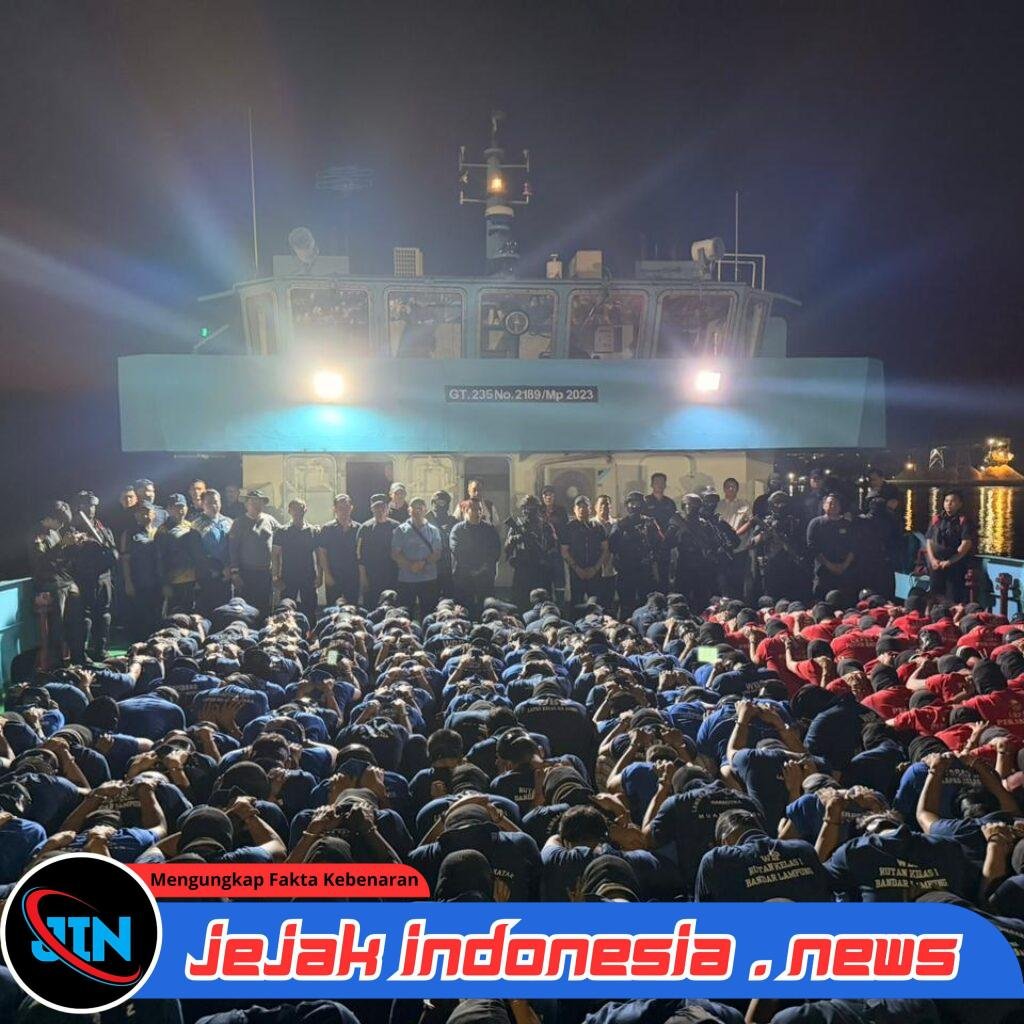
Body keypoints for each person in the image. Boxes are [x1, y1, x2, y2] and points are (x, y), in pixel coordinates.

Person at [30, 501, 82, 669]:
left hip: (64, 581)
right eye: (59, 521)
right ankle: (58, 664)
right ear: (48, 519)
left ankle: (77, 656)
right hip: (50, 584)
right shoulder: (37, 535)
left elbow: (61, 559)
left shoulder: (55, 532)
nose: (61, 525)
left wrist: (73, 545)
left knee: (75, 621)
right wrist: (62, 544)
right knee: (57, 625)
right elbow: (40, 563)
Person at [69, 490, 117, 663]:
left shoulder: (100, 526)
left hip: (104, 577)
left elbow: (111, 548)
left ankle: (101, 650)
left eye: (93, 505)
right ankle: (80, 655)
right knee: (84, 617)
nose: (91, 509)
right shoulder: (73, 529)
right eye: (86, 505)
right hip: (85, 578)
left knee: (104, 615)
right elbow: (70, 554)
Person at [609, 491, 663, 615]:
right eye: (631, 503)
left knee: (646, 605)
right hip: (626, 570)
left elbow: (659, 543)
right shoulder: (620, 525)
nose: (634, 506)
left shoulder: (650, 522)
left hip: (645, 570)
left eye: (637, 503)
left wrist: (653, 559)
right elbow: (612, 547)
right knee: (626, 605)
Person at [504, 495, 561, 611]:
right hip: (523, 570)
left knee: (542, 605)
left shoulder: (545, 526)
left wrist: (545, 557)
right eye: (525, 508)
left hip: (541, 571)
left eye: (531, 508)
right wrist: (514, 539)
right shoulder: (517, 525)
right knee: (520, 603)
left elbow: (554, 548)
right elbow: (507, 549)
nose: (527, 511)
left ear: (537, 509)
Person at [228, 490, 277, 618]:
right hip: (245, 573)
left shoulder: (270, 520)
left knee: (264, 607)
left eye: (259, 502)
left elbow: (283, 535)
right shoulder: (238, 523)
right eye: (253, 501)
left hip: (265, 573)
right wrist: (235, 572)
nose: (256, 504)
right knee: (246, 609)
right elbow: (233, 549)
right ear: (246, 504)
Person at [391, 496, 442, 618]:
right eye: (414, 508)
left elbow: (437, 552)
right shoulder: (401, 530)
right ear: (409, 511)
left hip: (428, 579)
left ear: (425, 510)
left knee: (429, 614)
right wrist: (410, 565)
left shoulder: (433, 530)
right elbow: (395, 553)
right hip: (407, 579)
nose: (417, 511)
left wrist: (423, 563)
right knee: (404, 614)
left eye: (420, 508)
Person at [450, 498, 501, 618]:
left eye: (480, 509)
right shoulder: (458, 530)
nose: (478, 512)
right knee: (464, 611)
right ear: (465, 510)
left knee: (487, 609)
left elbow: (495, 551)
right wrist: (471, 568)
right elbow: (456, 550)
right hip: (464, 577)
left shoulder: (489, 529)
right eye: (474, 509)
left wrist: (483, 567)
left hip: (485, 576)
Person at [273, 498, 320, 624]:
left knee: (310, 609)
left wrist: (320, 576)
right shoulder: (282, 531)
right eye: (294, 509)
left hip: (308, 577)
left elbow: (319, 555)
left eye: (300, 508)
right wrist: (275, 576)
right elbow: (275, 555)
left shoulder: (313, 531)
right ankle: (285, 632)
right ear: (289, 511)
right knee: (286, 610)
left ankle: (310, 633)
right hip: (288, 577)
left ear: (305, 510)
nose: (298, 511)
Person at [925, 489, 977, 604]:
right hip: (936, 565)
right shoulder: (936, 520)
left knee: (952, 597)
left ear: (960, 504)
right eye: (946, 501)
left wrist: (950, 561)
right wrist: (932, 559)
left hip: (955, 566)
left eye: (952, 501)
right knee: (935, 596)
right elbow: (929, 541)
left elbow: (965, 545)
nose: (949, 504)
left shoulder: (964, 521)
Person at [121, 501, 162, 642]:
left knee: (156, 617)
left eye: (147, 512)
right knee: (139, 617)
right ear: (135, 515)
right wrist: (128, 582)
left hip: (157, 582)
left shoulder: (160, 532)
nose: (144, 515)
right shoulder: (129, 534)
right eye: (141, 512)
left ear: (154, 514)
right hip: (138, 582)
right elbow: (125, 560)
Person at [560, 495, 609, 612]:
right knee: (576, 606)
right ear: (574, 510)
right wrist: (577, 569)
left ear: (590, 509)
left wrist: (595, 569)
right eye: (579, 507)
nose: (582, 509)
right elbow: (564, 551)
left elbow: (605, 549)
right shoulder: (569, 528)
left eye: (585, 507)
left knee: (596, 606)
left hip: (595, 574)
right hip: (577, 574)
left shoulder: (598, 527)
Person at [806, 492, 856, 605]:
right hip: (823, 572)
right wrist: (829, 565)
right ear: (824, 505)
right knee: (821, 604)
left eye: (836, 503)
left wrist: (844, 565)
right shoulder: (816, 523)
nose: (833, 506)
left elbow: (854, 546)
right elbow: (812, 547)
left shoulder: (847, 524)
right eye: (830, 503)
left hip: (844, 572)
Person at [156, 493, 202, 615]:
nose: (180, 510)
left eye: (182, 506)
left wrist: (199, 578)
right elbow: (159, 559)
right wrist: (164, 584)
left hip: (191, 581)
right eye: (176, 507)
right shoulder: (163, 531)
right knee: (174, 617)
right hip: (173, 582)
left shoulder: (191, 527)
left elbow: (198, 556)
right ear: (169, 509)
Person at [191, 488, 234, 616]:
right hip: (207, 575)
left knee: (226, 612)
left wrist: (230, 568)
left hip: (227, 574)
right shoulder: (196, 525)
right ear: (202, 504)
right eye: (209, 502)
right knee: (207, 612)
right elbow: (197, 553)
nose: (213, 505)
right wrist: (217, 568)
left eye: (216, 502)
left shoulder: (229, 522)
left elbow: (234, 547)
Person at [317, 493, 360, 606]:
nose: (344, 510)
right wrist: (327, 575)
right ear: (334, 509)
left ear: (351, 508)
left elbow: (361, 555)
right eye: (340, 508)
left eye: (346, 507)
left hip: (353, 576)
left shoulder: (358, 529)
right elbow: (322, 554)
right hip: (333, 576)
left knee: (352, 609)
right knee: (332, 610)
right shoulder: (327, 529)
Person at [357, 493, 399, 607]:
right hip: (371, 577)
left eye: (382, 507)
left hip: (392, 575)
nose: (380, 510)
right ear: (372, 509)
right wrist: (363, 577)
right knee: (371, 608)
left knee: (391, 607)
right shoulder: (365, 528)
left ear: (388, 508)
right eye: (376, 508)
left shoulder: (396, 527)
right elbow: (359, 556)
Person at [644, 472, 677, 588]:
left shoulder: (670, 503)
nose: (659, 485)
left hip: (666, 545)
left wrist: (669, 539)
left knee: (664, 576)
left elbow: (674, 523)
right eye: (656, 482)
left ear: (665, 484)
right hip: (649, 545)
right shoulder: (645, 501)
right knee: (649, 577)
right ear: (652, 484)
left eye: (662, 482)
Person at [590, 493, 618, 611]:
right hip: (594, 570)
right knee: (594, 604)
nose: (604, 507)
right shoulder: (590, 524)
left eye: (607, 504)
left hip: (612, 570)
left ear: (610, 507)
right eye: (601, 504)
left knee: (610, 604)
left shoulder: (617, 524)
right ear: (595, 507)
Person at [428, 490, 458, 597]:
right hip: (430, 566)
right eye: (437, 502)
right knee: (430, 599)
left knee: (449, 598)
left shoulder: (453, 521)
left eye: (442, 502)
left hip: (448, 567)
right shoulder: (426, 521)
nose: (439, 505)